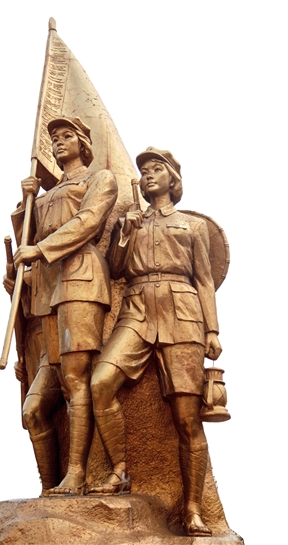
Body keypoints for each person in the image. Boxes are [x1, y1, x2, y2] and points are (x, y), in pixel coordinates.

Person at [90, 147, 221, 537]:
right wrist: (124, 233)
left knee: (187, 419)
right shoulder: (130, 222)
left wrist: (212, 330)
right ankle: (119, 471)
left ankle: (193, 509)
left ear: (172, 179)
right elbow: (115, 270)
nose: (147, 175)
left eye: (156, 169)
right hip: (137, 309)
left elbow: (204, 280)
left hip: (183, 314)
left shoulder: (191, 226)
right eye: (144, 170)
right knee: (100, 383)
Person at [11, 116, 118, 495]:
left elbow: (88, 222)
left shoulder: (99, 179)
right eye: (54, 137)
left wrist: (40, 249)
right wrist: (26, 204)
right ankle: (48, 489)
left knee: (76, 379)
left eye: (66, 136)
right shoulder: (45, 195)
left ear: (83, 144)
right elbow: (27, 240)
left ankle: (77, 475)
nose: (58, 142)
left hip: (81, 278)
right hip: (47, 289)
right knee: (36, 406)